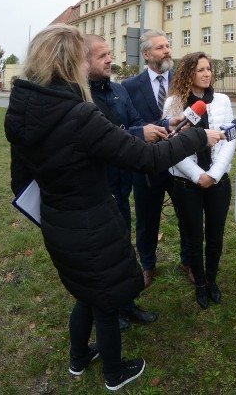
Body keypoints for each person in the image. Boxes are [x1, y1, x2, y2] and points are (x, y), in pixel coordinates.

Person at [4, 25, 223, 390]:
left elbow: (20, 181)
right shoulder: (79, 115)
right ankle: (114, 372)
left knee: (85, 294)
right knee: (105, 301)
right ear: (71, 63)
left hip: (58, 221)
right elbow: (146, 158)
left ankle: (78, 359)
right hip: (92, 221)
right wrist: (196, 136)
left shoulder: (24, 111)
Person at [84, 34, 164, 327]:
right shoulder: (79, 97)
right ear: (84, 61)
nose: (110, 59)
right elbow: (99, 140)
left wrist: (162, 125)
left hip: (122, 184)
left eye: (109, 54)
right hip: (95, 187)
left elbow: (135, 124)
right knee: (102, 253)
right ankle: (109, 309)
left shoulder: (118, 91)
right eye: (102, 55)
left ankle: (126, 303)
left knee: (123, 245)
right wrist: (138, 134)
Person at [162, 52, 236, 309]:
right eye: (200, 70)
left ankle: (212, 280)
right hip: (185, 183)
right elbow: (172, 145)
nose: (207, 74)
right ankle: (200, 284)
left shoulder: (223, 101)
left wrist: (214, 175)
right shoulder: (174, 103)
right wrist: (197, 175)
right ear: (188, 74)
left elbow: (230, 138)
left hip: (218, 181)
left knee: (215, 236)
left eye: (209, 69)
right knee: (193, 236)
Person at [121, 30, 192, 287]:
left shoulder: (183, 82)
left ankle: (188, 260)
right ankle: (147, 265)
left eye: (168, 45)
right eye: (161, 47)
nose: (167, 51)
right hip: (147, 165)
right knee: (146, 218)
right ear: (146, 54)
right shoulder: (129, 87)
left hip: (182, 163)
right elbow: (130, 125)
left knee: (188, 215)